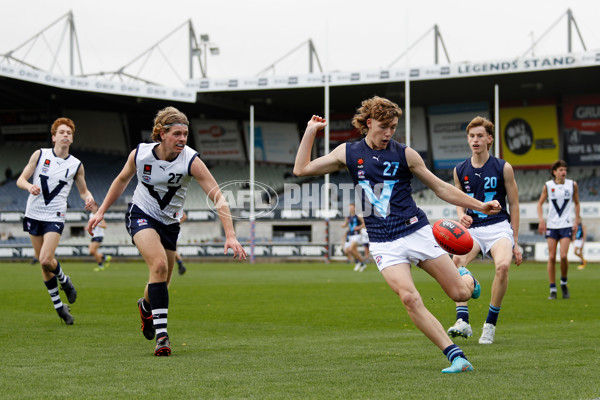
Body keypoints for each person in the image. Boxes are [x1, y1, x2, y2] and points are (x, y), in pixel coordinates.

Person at [293, 96, 501, 373]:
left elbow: (440, 187)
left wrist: (479, 206)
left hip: (416, 231)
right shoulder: (348, 152)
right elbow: (301, 169)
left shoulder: (405, 154)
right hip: (382, 242)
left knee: (458, 292)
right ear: (369, 124)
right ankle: (456, 357)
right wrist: (310, 131)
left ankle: (467, 279)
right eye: (384, 126)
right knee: (409, 298)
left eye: (393, 126)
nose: (389, 132)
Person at [87, 106, 246, 357]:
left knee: (162, 282)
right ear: (161, 134)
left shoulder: (192, 160)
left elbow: (218, 197)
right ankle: (162, 338)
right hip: (140, 214)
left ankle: (146, 306)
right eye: (177, 134)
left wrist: (231, 234)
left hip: (170, 224)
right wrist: (101, 211)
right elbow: (121, 180)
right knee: (158, 266)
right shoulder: (140, 154)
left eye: (185, 134)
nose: (182, 139)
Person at [446, 116, 523, 345]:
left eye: (480, 136)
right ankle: (463, 321)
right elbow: (458, 198)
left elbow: (515, 204)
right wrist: (461, 215)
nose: (475, 140)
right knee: (455, 263)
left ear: (490, 139)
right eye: (471, 136)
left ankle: (489, 325)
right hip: (475, 228)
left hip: (499, 226)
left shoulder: (503, 167)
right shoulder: (460, 169)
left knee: (502, 267)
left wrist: (515, 241)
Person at [16, 117, 95, 325]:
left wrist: (89, 199)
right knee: (44, 265)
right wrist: (28, 187)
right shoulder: (40, 155)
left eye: (69, 133)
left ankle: (65, 280)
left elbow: (84, 191)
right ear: (54, 137)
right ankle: (60, 307)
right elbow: (21, 179)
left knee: (45, 259)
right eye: (62, 132)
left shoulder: (76, 165)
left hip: (55, 216)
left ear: (72, 139)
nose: (66, 135)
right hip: (33, 214)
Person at [537, 160, 581, 300]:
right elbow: (540, 203)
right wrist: (541, 219)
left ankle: (563, 282)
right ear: (554, 172)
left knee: (563, 256)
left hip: (566, 225)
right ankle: (552, 288)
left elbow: (577, 203)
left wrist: (577, 220)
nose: (563, 172)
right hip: (552, 225)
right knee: (551, 257)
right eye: (560, 170)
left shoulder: (572, 185)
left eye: (565, 170)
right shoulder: (548, 186)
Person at [341, 203, 366, 271]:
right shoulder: (348, 217)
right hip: (350, 235)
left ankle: (359, 263)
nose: (351, 209)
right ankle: (361, 263)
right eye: (350, 207)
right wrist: (343, 225)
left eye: (352, 207)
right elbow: (346, 224)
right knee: (348, 251)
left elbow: (364, 223)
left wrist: (358, 227)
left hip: (357, 235)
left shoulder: (358, 216)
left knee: (351, 249)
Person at [89, 202, 112, 272]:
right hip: (94, 235)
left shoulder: (99, 215)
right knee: (91, 252)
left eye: (93, 206)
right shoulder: (90, 215)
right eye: (91, 206)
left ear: (97, 207)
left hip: (99, 235)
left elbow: (105, 226)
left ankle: (101, 265)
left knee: (93, 251)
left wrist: (97, 225)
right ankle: (105, 257)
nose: (92, 208)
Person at [175, 210, 187, 275]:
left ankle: (181, 265)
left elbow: (184, 216)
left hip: (174, 231)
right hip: (171, 230)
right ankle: (180, 265)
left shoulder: (178, 206)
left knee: (172, 250)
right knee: (173, 250)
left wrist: (175, 224)